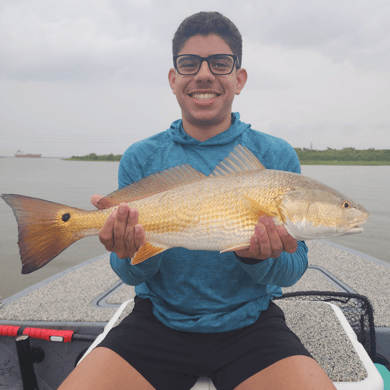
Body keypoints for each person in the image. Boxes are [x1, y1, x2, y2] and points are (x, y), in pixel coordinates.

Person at [59, 11, 336, 390]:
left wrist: (255, 257)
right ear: (174, 80)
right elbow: (129, 274)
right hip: (156, 321)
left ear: (239, 79)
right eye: (189, 64)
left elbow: (292, 269)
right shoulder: (141, 157)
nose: (204, 75)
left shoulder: (275, 156)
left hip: (250, 324)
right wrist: (128, 251)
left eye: (220, 63)